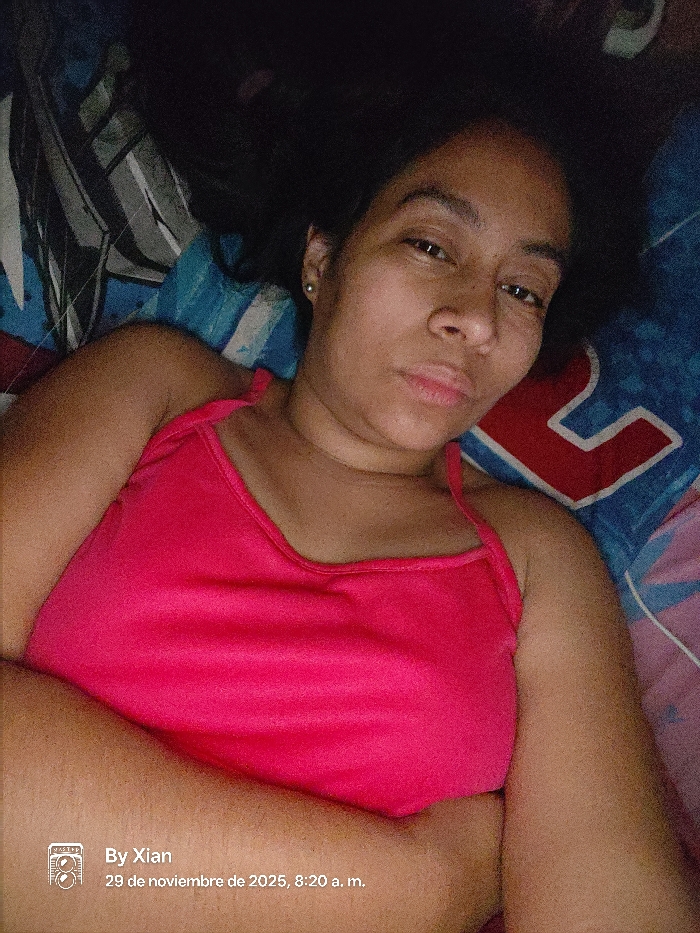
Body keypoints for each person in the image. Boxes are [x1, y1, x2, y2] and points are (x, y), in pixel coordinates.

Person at [3, 34, 698, 933]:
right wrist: (410, 886)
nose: (476, 319)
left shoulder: (538, 557)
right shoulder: (155, 392)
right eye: (432, 245)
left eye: (524, 290)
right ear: (323, 259)